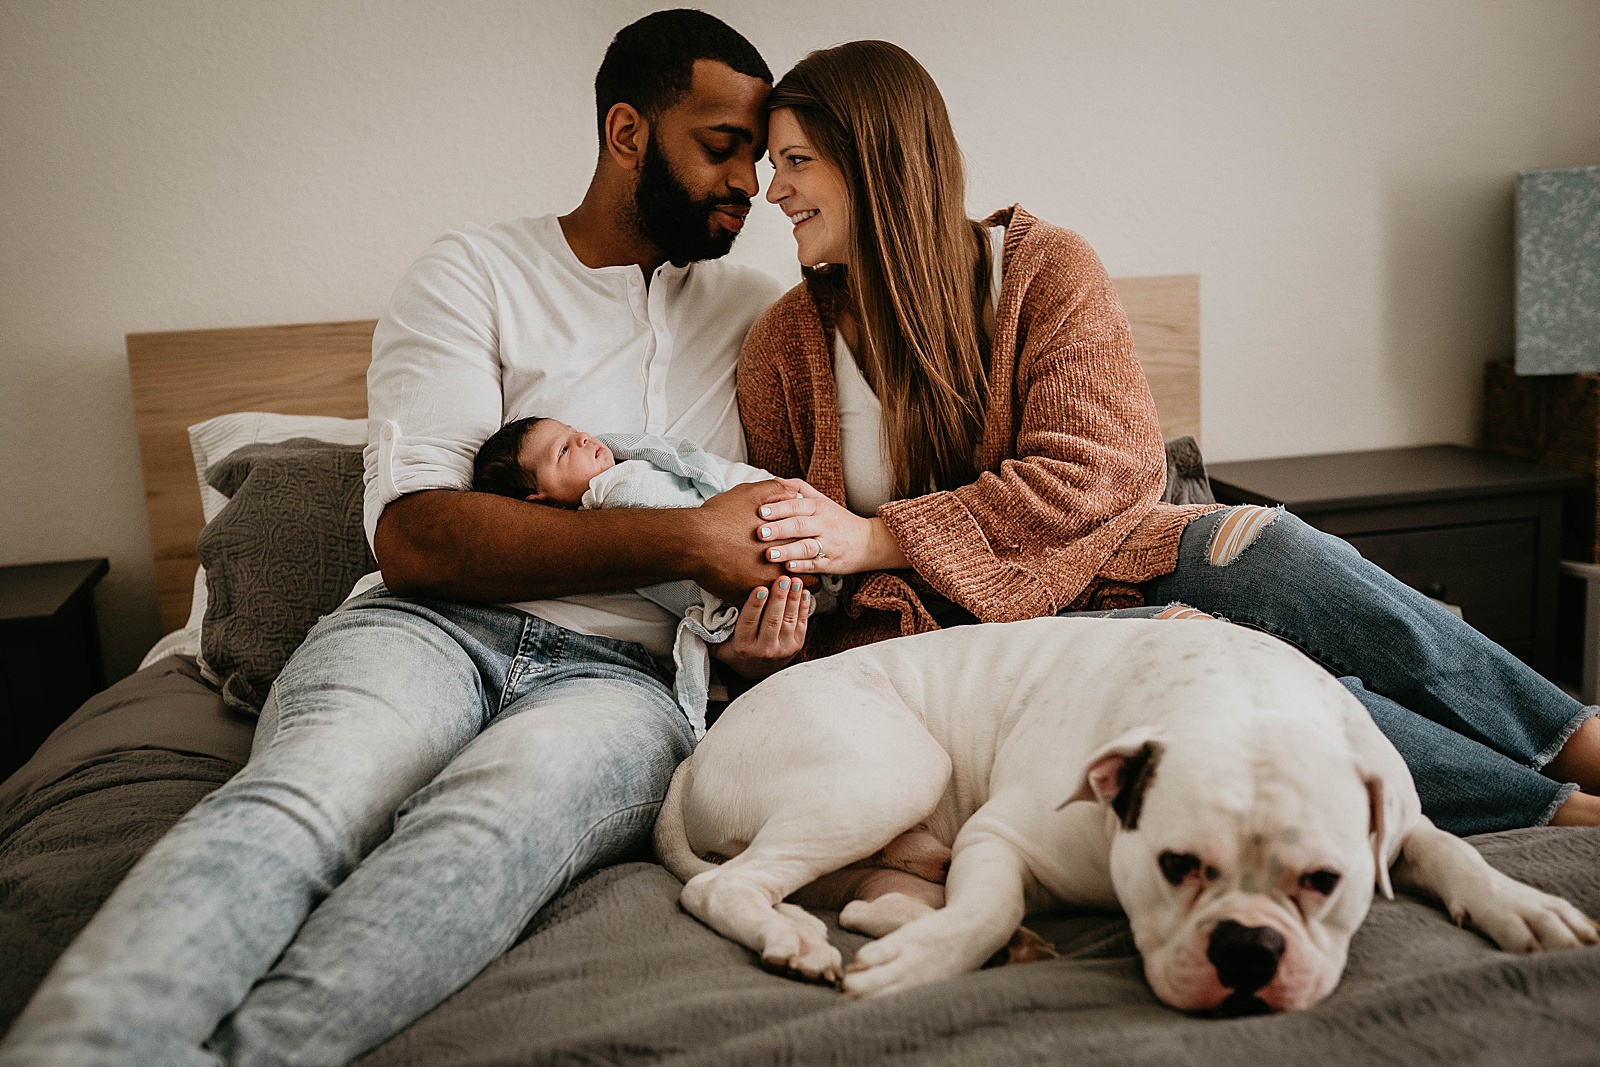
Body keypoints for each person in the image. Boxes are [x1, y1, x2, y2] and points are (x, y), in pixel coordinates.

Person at [2, 11, 805, 1066]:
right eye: (719, 145)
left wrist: (750, 633)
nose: (748, 179)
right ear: (625, 134)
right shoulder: (473, 271)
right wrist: (688, 537)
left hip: (624, 680)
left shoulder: (765, 316)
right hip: (423, 629)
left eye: (759, 151)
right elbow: (420, 534)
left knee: (489, 830)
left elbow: (790, 515)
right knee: (309, 795)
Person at [733, 39, 1600, 838]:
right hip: (962, 639)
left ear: (881, 161)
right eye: (777, 166)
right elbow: (791, 552)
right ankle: (1553, 813)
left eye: (798, 162)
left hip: (1110, 550)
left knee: (1273, 547)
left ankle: (1574, 737)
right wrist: (770, 632)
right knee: (1227, 670)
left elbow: (1097, 470)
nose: (777, 192)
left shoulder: (1045, 268)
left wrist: (880, 534)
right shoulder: (783, 347)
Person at [470, 414, 817, 730]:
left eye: (575, 432)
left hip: (751, 520)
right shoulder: (602, 526)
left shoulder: (636, 461)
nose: (583, 439)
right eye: (562, 450)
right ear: (543, 502)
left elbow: (697, 467)